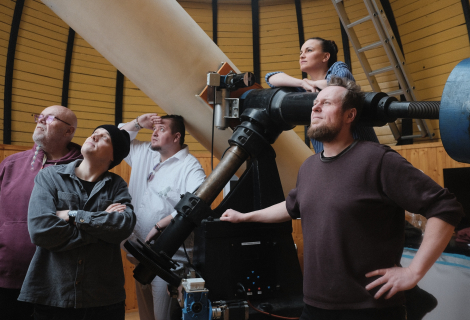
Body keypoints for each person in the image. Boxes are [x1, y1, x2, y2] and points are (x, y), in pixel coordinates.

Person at [221, 77, 463, 320]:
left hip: (370, 311)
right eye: (315, 103)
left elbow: (444, 207)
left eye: (326, 103)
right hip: (314, 309)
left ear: (350, 116)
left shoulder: (377, 160)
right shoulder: (309, 166)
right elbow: (292, 206)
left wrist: (413, 272)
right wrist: (245, 217)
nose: (315, 107)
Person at [18, 125, 136, 320]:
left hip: (104, 299)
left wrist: (72, 215)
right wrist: (100, 229)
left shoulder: (117, 185)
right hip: (53, 295)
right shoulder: (49, 177)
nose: (95, 135)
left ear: (113, 156)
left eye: (105, 137)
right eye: (95, 132)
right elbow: (41, 230)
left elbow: (123, 226)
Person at [120, 114, 206, 320]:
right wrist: (139, 123)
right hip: (140, 255)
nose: (155, 133)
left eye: (162, 129)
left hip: (168, 260)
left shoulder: (189, 165)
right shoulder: (144, 152)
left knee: (163, 316)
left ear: (177, 137)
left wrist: (160, 225)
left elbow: (199, 200)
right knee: (146, 316)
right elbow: (119, 136)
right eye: (154, 129)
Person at [0, 105, 82, 320]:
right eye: (40, 116)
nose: (40, 120)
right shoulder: (10, 163)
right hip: (7, 274)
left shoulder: (83, 169)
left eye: (50, 118)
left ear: (68, 131)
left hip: (58, 279)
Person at [265, 37, 378, 153]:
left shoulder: (337, 67)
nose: (302, 56)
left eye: (309, 50)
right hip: (327, 157)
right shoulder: (305, 88)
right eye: (301, 52)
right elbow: (271, 77)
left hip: (362, 152)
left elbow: (341, 81)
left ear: (325, 57)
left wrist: (312, 83)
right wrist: (302, 83)